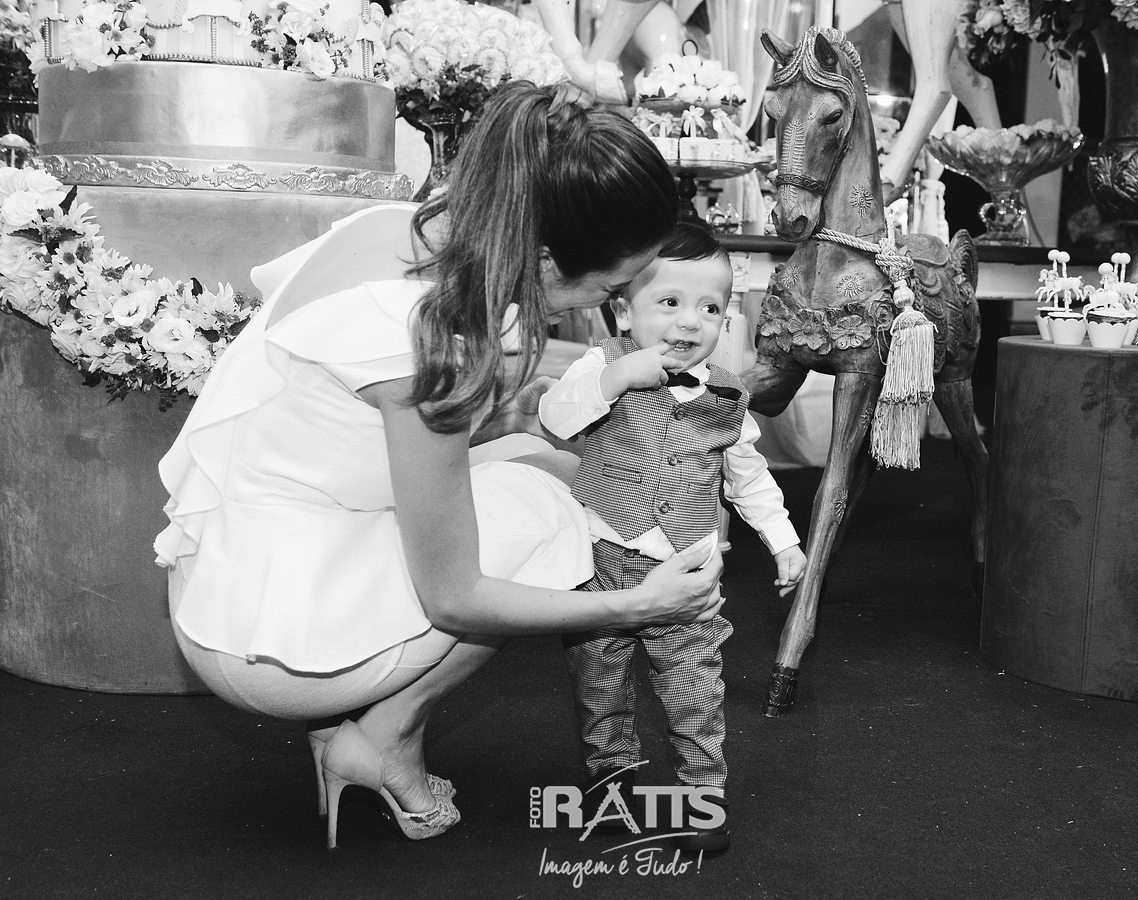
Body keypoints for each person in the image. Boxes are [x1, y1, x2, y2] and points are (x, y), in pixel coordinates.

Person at [153, 82, 725, 850]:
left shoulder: (405, 231)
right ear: (546, 257)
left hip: (232, 568)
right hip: (263, 646)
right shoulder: (434, 343)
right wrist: (635, 605)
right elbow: (457, 598)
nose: (605, 306)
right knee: (563, 513)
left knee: (538, 462)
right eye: (612, 288)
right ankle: (384, 736)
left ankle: (361, 720)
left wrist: (530, 404)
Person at [537, 222, 808, 852]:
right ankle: (611, 784)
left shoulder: (726, 397)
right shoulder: (600, 365)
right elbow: (556, 416)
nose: (690, 321)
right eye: (669, 302)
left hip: (687, 572)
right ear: (623, 311)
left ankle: (701, 797)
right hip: (600, 562)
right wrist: (614, 379)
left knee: (695, 690)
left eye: (710, 308)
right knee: (599, 684)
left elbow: (749, 477)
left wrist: (784, 542)